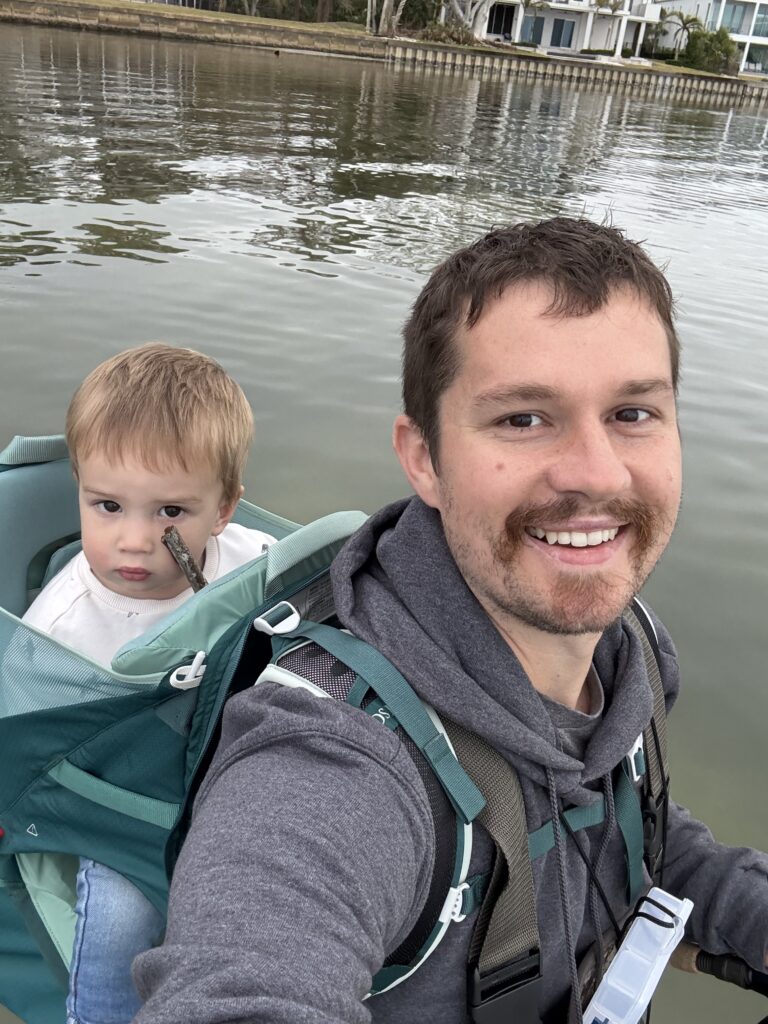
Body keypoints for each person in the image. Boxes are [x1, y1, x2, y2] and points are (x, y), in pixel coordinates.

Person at [132, 219, 768, 1024]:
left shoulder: (628, 639)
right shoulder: (337, 761)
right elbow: (239, 987)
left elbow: (628, 828)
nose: (597, 473)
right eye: (523, 419)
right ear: (424, 457)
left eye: (632, 413)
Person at [22, 342, 276, 1024]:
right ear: (79, 486)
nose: (134, 540)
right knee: (117, 919)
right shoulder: (62, 624)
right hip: (125, 804)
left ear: (223, 509)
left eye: (170, 513)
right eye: (107, 506)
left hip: (232, 762)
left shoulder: (249, 562)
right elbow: (39, 740)